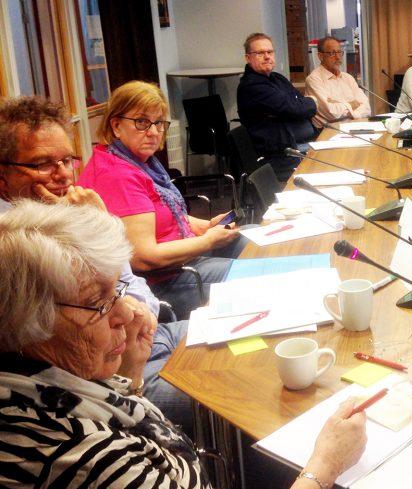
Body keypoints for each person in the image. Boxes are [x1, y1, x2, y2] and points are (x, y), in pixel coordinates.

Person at [0, 200, 367, 488]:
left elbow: (128, 423)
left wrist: (132, 375)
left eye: (119, 292)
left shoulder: (46, 373)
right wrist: (323, 467)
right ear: (30, 319)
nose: (126, 315)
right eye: (99, 302)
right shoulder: (81, 456)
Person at [0, 95, 193, 434]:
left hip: (145, 335)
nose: (62, 175)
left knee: (245, 346)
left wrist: (98, 222)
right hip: (107, 376)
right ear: (3, 174)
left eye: (67, 160)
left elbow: (133, 291)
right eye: (44, 163)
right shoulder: (15, 246)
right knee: (224, 389)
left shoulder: (61, 209)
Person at [78, 81, 245, 320]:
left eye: (158, 123)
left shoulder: (138, 161)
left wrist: (205, 226)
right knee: (255, 274)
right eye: (142, 122)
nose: (154, 132)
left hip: (183, 258)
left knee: (253, 238)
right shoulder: (118, 175)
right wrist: (208, 241)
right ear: (116, 125)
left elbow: (164, 213)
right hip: (167, 281)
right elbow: (145, 258)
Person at [237, 32, 317, 180]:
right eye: (260, 53)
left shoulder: (277, 79)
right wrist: (304, 104)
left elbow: (301, 106)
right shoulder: (252, 85)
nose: (267, 56)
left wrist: (299, 106)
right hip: (282, 155)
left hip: (300, 145)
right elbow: (296, 108)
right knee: (332, 164)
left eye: (269, 52)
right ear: (248, 58)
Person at [304, 35, 371, 129]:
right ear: (320, 56)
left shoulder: (348, 78)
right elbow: (330, 113)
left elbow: (367, 108)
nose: (338, 57)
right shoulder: (314, 79)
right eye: (332, 53)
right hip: (328, 131)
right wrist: (352, 104)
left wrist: (343, 108)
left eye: (339, 52)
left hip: (355, 126)